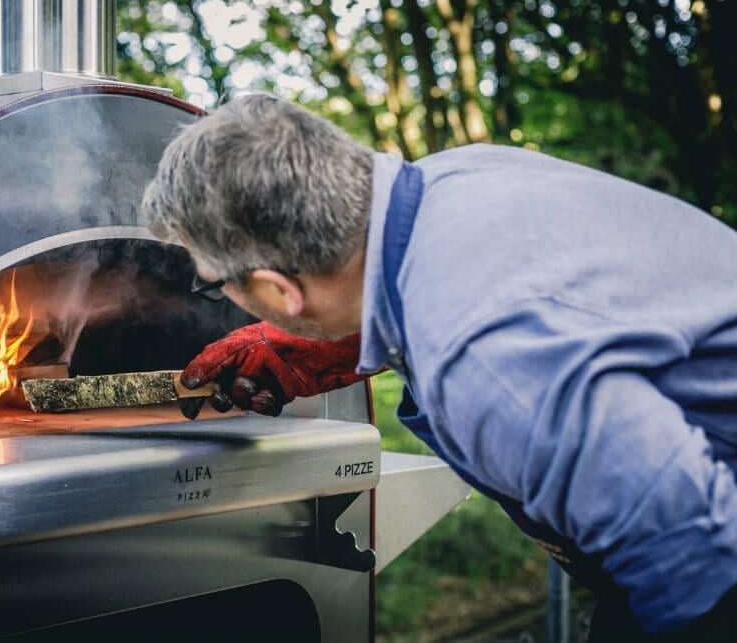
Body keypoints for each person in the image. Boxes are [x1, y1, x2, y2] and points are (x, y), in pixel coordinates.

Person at [141, 94, 737, 641]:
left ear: (279, 288)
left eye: (213, 282)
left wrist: (434, 341)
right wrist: (357, 336)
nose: (212, 291)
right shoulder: (460, 177)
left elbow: (700, 571)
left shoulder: (481, 354)